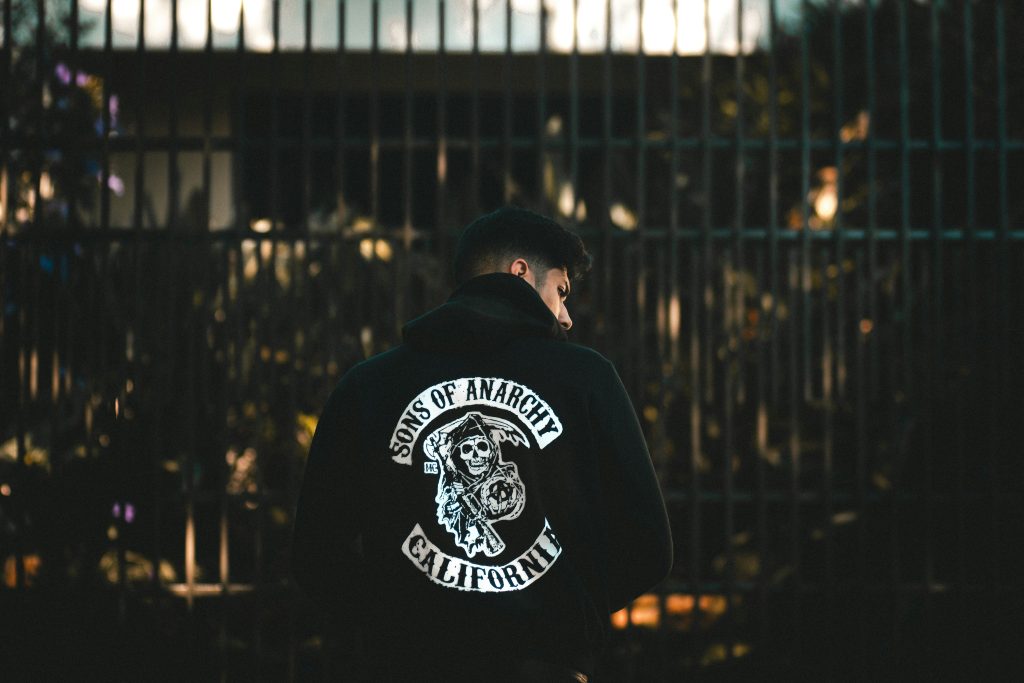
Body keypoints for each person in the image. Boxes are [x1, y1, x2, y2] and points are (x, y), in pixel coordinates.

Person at [291, 206, 672, 682]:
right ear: (521, 272)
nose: (567, 317)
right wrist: (565, 616)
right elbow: (648, 543)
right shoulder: (586, 379)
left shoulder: (368, 386)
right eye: (561, 292)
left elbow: (315, 550)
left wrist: (394, 626)